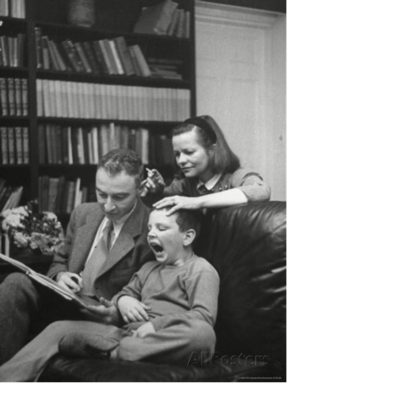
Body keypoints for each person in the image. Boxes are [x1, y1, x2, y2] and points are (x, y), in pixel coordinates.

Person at [0, 207, 220, 383]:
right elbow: (125, 293)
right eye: (150, 227)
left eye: (161, 228)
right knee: (58, 328)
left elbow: (204, 316)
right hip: (124, 333)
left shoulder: (200, 270)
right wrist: (122, 302)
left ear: (187, 237)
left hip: (163, 337)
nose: (152, 233)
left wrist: (156, 326)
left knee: (204, 335)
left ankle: (116, 352)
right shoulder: (149, 268)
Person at [0, 149, 154, 366]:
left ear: (140, 189)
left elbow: (149, 294)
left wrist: (117, 313)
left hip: (101, 315)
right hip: (65, 300)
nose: (108, 206)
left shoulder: (152, 229)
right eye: (101, 194)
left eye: (119, 197)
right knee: (15, 282)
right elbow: (59, 261)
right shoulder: (83, 213)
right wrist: (60, 276)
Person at [141, 115, 271, 215]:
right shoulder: (185, 184)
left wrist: (196, 202)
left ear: (212, 150)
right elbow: (159, 204)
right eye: (177, 154)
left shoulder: (235, 176)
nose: (181, 160)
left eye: (189, 152)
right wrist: (156, 191)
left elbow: (261, 191)